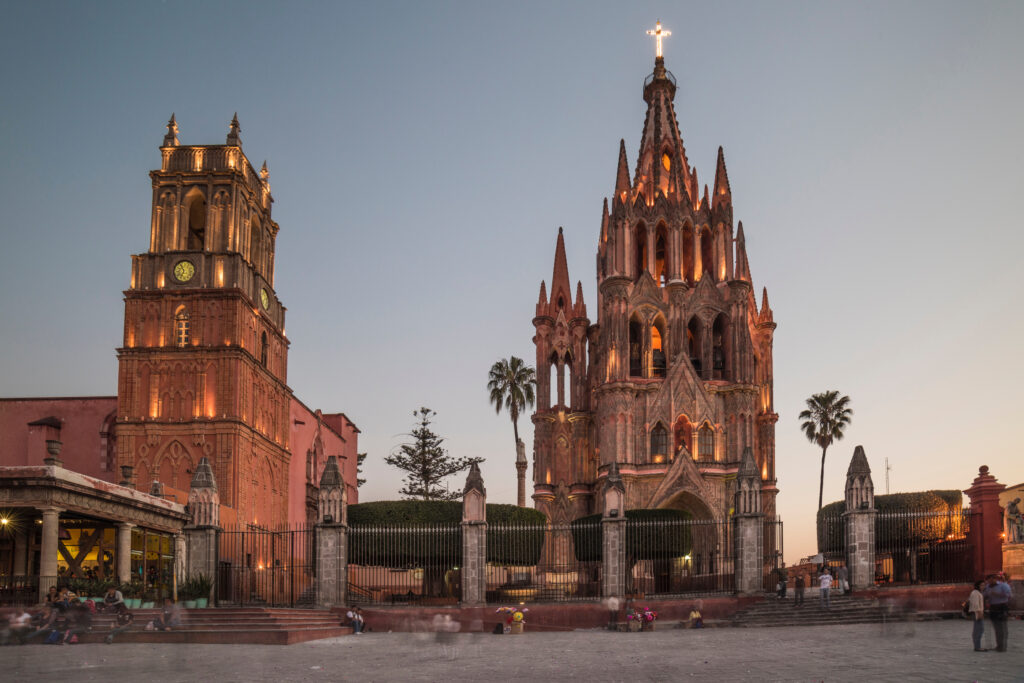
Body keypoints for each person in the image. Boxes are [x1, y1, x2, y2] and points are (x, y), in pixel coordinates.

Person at [983, 573, 1012, 652]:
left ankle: (1002, 646)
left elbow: (1009, 596)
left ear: (995, 579)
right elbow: (984, 596)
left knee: (1002, 628)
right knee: (997, 628)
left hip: (1002, 607)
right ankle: (999, 645)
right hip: (993, 608)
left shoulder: (1003, 586)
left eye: (991, 580)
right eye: (988, 581)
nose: (990, 582)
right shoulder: (988, 587)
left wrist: (997, 594)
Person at [968, 580, 986, 652]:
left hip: (978, 612)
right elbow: (975, 604)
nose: (983, 587)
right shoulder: (975, 593)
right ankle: (977, 646)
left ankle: (977, 646)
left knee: (978, 629)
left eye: (984, 585)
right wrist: (979, 613)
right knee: (979, 629)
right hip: (977, 613)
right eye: (981, 585)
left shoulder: (978, 593)